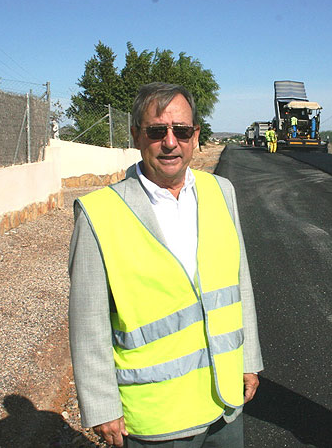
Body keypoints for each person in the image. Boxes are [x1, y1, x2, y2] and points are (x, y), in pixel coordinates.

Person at [69, 82, 263, 448]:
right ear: (136, 136)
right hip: (157, 418)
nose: (170, 142)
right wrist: (101, 405)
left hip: (226, 403)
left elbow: (241, 284)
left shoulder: (221, 191)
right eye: (157, 131)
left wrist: (248, 358)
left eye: (182, 131)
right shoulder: (99, 214)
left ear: (196, 135)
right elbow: (87, 321)